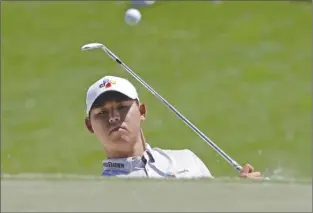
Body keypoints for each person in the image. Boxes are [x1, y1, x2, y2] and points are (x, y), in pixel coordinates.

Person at [85, 75, 263, 179]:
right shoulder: (101, 195)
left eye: (122, 107)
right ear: (89, 125)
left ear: (142, 111)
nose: (113, 117)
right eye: (102, 113)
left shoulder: (187, 160)